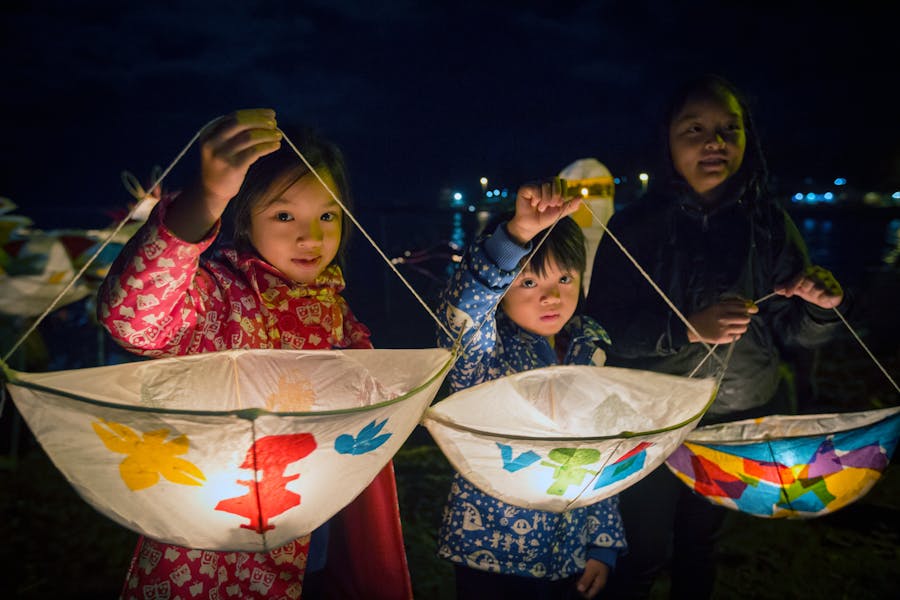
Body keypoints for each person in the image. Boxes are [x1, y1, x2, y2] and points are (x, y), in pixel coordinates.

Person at [97, 108, 411, 600]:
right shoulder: (217, 297)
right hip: (219, 545)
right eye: (284, 215)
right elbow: (131, 319)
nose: (312, 236)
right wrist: (205, 199)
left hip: (319, 525)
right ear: (244, 217)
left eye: (327, 214)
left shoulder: (335, 310)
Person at [583, 75, 848, 599]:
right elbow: (603, 330)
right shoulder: (633, 228)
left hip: (735, 418)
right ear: (666, 139)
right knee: (641, 549)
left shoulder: (769, 225)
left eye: (730, 128)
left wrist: (822, 310)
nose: (715, 142)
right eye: (695, 128)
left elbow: (794, 332)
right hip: (652, 418)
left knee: (700, 545)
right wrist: (685, 327)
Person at [434, 179, 627, 600]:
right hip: (488, 550)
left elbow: (603, 450)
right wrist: (517, 236)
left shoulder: (588, 349)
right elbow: (463, 309)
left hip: (570, 550)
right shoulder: (483, 353)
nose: (550, 297)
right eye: (527, 283)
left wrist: (603, 544)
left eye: (563, 278)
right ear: (501, 292)